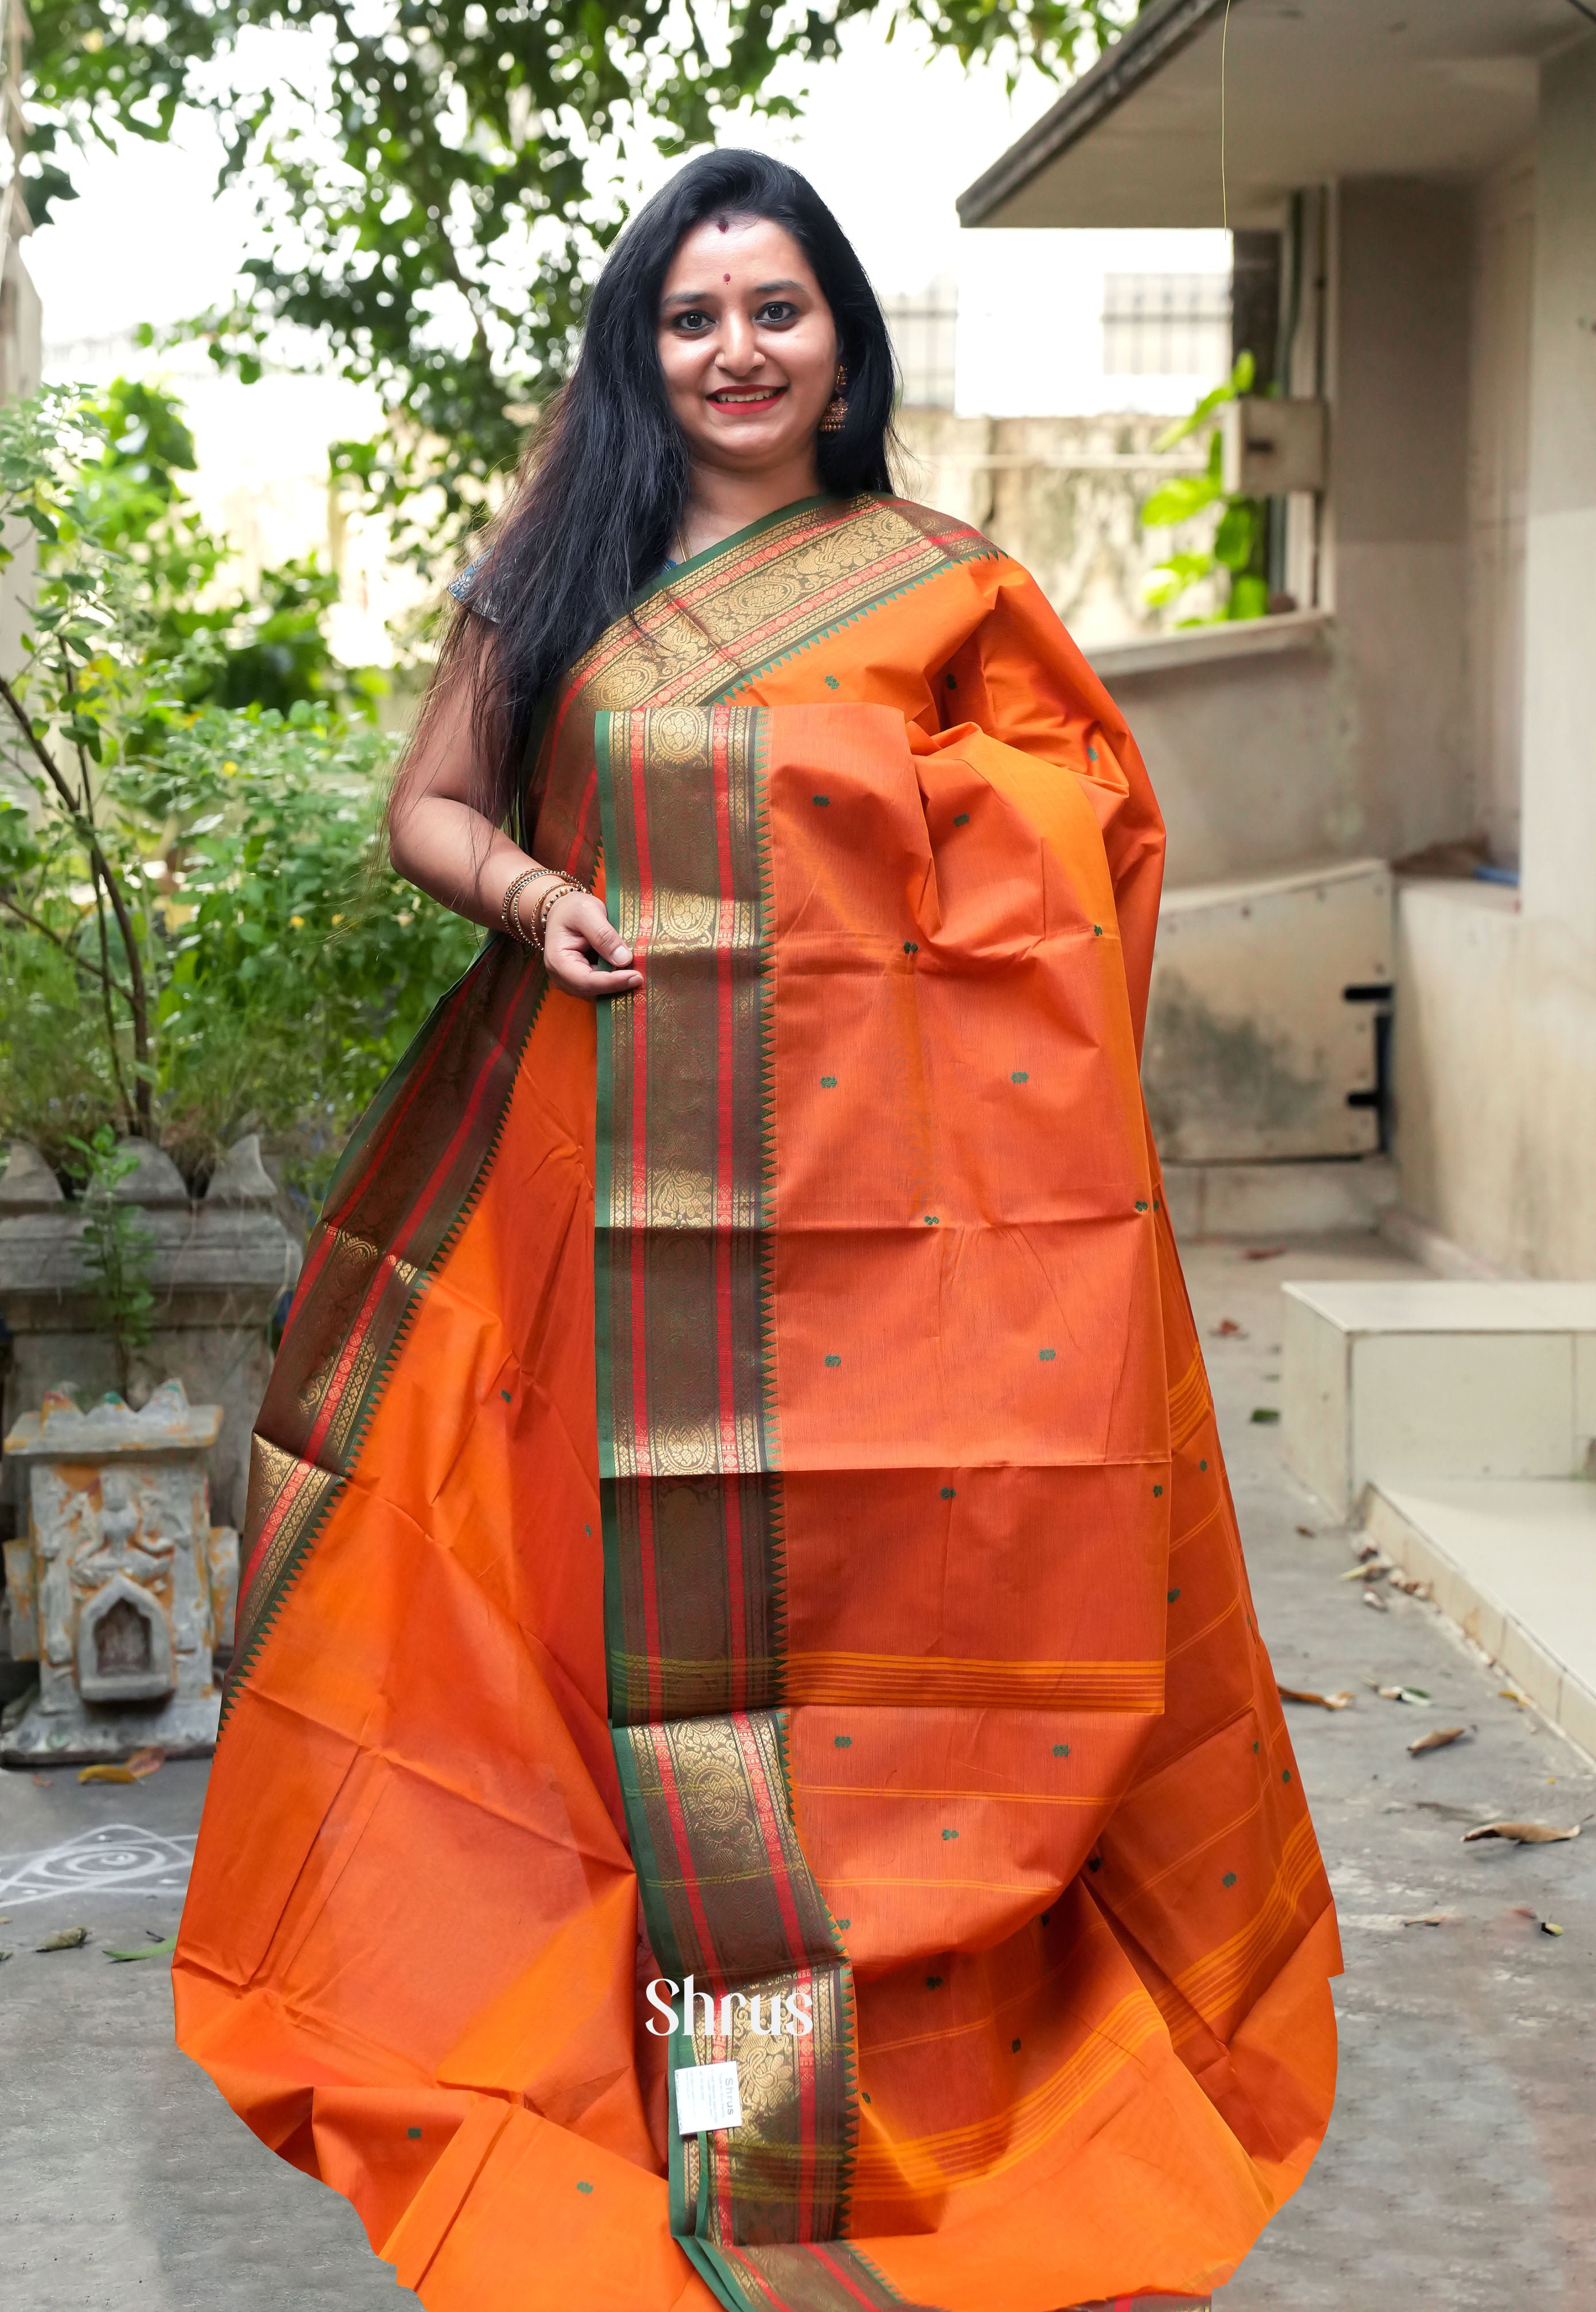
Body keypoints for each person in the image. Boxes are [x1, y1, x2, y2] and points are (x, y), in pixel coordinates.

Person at [175, 148, 1339, 2312]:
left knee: (852, 1689)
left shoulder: (941, 587)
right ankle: (691, 2107)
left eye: (778, 311)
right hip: (594, 1221)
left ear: (843, 346)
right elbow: (431, 803)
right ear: (645, 349)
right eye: (694, 317)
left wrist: (909, 810)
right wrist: (539, 894)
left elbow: (1085, 844)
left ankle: (873, 2123)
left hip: (881, 1243)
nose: (737, 351)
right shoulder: (568, 573)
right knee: (607, 1672)